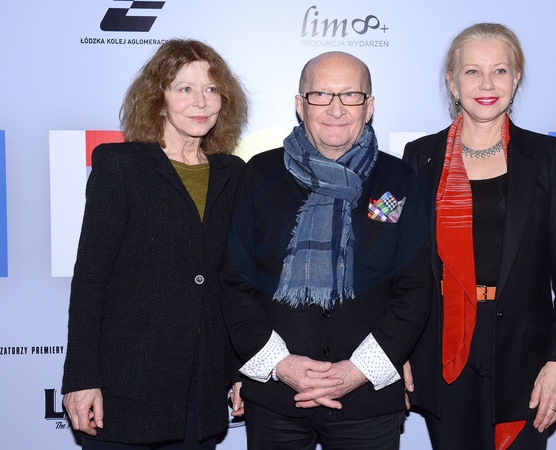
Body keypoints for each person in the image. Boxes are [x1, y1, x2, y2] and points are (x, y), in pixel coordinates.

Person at [219, 51, 431, 450]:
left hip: (368, 401)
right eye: (320, 95)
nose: (336, 109)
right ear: (300, 105)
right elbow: (235, 281)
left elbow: (415, 289)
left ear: (369, 107)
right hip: (276, 397)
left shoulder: (402, 179)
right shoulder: (259, 174)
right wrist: (280, 365)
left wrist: (357, 371)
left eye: (350, 95)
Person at [403, 23, 556, 450]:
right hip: (442, 348)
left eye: (499, 71)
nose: (486, 84)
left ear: (515, 78)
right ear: (452, 82)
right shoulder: (421, 157)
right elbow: (407, 268)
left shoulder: (547, 157)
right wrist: (403, 351)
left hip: (524, 351)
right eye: (472, 71)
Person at [61, 39, 248, 449]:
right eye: (185, 88)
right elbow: (91, 278)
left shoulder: (233, 173)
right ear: (158, 99)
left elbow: (233, 283)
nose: (200, 102)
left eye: (211, 89)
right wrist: (81, 377)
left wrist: (241, 369)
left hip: (202, 383)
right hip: (125, 382)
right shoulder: (120, 166)